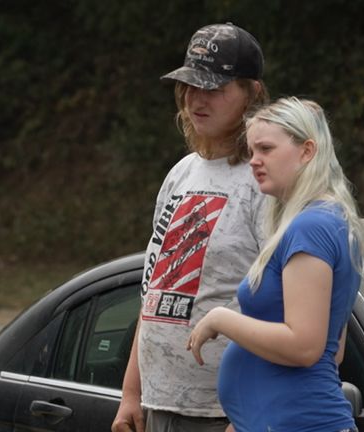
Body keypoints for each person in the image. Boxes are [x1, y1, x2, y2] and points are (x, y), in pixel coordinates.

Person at [112, 23, 268, 432]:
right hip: (160, 404)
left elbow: (284, 303)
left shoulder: (264, 179)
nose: (197, 98)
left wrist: (255, 409)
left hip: (225, 411)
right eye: (189, 85)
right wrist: (132, 393)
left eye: (214, 88)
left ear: (252, 93)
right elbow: (155, 290)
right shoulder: (181, 174)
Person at [187, 97, 364, 432]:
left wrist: (220, 319)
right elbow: (333, 351)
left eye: (266, 149)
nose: (254, 161)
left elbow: (304, 346)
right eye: (252, 150)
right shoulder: (328, 219)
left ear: (307, 151)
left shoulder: (312, 226)